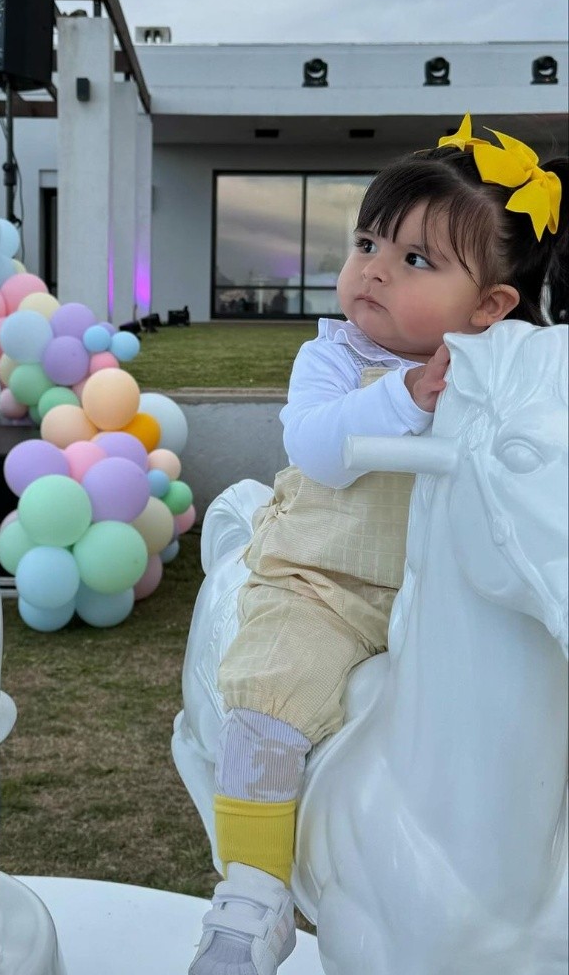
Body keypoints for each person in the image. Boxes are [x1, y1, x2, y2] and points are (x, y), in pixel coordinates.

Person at [189, 115, 567, 975]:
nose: (374, 270)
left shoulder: (504, 372)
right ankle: (255, 890)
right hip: (325, 585)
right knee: (270, 702)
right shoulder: (333, 358)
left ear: (491, 308)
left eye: (417, 259)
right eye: (368, 243)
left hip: (444, 597)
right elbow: (318, 447)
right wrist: (407, 395)